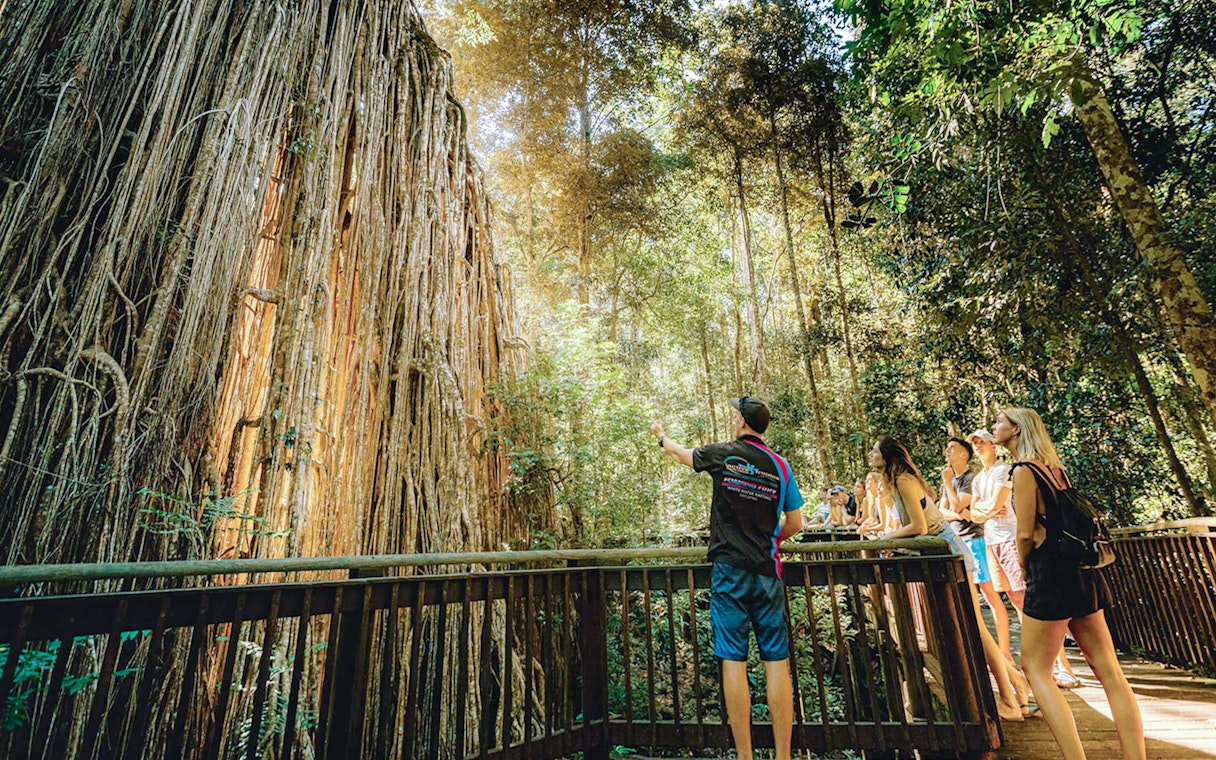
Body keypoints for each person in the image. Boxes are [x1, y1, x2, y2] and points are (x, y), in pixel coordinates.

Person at [650, 396, 803, 760]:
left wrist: (661, 437)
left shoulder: (725, 454)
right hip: (767, 572)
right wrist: (771, 538)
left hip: (729, 572)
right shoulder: (780, 466)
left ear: (740, 421)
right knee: (776, 663)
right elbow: (797, 523)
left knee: (733, 661)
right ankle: (783, 756)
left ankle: (745, 756)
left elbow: (683, 455)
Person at [994, 408, 1144, 760]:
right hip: (1082, 572)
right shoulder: (1056, 470)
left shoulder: (1024, 472)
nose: (995, 427)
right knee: (1109, 670)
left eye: (1000, 422)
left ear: (1016, 430)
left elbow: (1025, 533)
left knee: (1035, 667)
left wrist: (1025, 567)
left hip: (1050, 574)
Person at [868, 436, 1026, 721]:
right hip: (942, 551)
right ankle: (1015, 683)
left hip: (947, 549)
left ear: (888, 456)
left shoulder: (903, 480)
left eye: (875, 451)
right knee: (971, 624)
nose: (870, 454)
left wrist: (886, 537)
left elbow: (918, 526)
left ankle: (1010, 701)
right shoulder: (897, 481)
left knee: (972, 625)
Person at [972, 428, 1080, 689]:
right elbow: (973, 513)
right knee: (1014, 599)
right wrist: (984, 510)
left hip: (1010, 539)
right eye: (974, 443)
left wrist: (983, 509)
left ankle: (1062, 667)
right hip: (991, 541)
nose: (978, 446)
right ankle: (1042, 666)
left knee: (1027, 603)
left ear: (992, 445)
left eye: (982, 442)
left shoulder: (1003, 470)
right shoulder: (978, 479)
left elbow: (996, 504)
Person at [940, 437, 1015, 665]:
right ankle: (982, 649)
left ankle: (1005, 652)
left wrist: (949, 486)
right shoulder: (951, 481)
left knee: (991, 595)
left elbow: (957, 506)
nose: (947, 451)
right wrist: (959, 512)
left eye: (953, 448)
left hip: (976, 540)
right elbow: (942, 511)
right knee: (968, 598)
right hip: (957, 540)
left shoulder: (969, 479)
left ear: (964, 454)